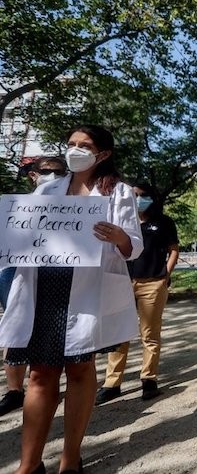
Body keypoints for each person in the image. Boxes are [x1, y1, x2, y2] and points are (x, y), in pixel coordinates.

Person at [0, 125, 143, 474]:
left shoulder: (118, 193)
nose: (75, 150)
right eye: (71, 144)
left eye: (85, 145)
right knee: (40, 374)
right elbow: (19, 233)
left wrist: (120, 235)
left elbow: (133, 247)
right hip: (43, 286)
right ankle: (29, 464)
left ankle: (69, 460)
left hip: (85, 290)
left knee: (80, 368)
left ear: (103, 154)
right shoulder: (47, 189)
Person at [95, 183, 180, 404]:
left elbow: (173, 250)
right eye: (134, 195)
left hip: (153, 283)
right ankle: (112, 383)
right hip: (122, 283)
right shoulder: (119, 223)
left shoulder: (163, 222)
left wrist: (165, 276)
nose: (139, 199)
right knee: (119, 333)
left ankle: (149, 380)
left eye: (143, 195)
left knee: (149, 334)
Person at [0, 156, 67, 417]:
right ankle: (14, 391)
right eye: (48, 171)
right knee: (16, 323)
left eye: (61, 172)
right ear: (33, 175)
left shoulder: (75, 208)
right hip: (14, 272)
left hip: (55, 275)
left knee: (49, 329)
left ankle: (43, 383)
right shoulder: (15, 207)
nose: (54, 176)